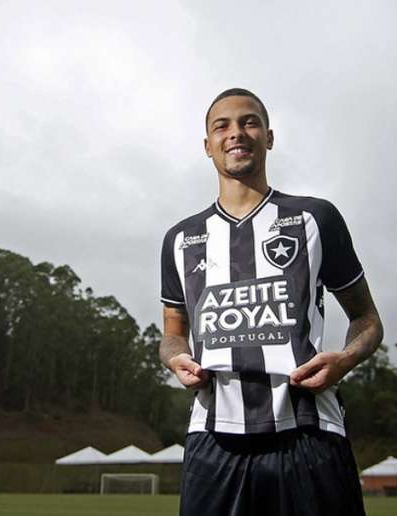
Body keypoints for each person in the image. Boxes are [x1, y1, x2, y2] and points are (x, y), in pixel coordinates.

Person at [159, 88, 384, 516]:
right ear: (207, 145)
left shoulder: (314, 219)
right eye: (221, 126)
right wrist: (175, 359)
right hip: (213, 441)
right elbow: (172, 334)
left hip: (309, 435)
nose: (236, 133)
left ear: (269, 136)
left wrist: (345, 360)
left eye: (249, 122)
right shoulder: (181, 240)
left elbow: (367, 319)